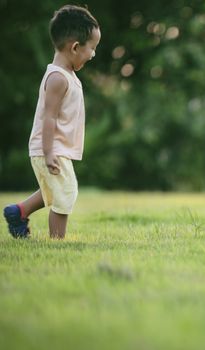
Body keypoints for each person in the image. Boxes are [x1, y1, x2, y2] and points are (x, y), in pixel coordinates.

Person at [3, 5, 101, 239]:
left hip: (55, 148)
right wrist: (49, 153)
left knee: (51, 192)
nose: (93, 54)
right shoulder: (58, 77)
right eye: (92, 49)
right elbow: (49, 118)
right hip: (50, 148)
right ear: (75, 47)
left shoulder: (67, 75)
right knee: (66, 192)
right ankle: (57, 240)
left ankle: (19, 212)